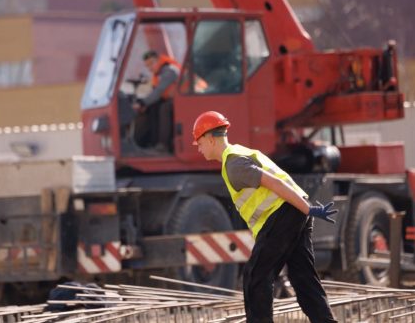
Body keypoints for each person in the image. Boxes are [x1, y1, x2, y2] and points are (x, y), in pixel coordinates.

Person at [192, 110, 338, 323]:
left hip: (282, 214)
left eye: (199, 143)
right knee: (304, 279)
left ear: (210, 139)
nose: (199, 148)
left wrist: (308, 209)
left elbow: (275, 183)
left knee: (255, 277)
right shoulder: (239, 154)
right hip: (292, 211)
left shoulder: (234, 165)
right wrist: (305, 209)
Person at [132, 50, 179, 153]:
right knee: (153, 107)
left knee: (164, 108)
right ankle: (151, 142)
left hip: (190, 99)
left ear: (158, 60)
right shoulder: (159, 73)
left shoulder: (169, 71)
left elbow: (159, 91)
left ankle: (163, 145)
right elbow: (155, 92)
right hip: (176, 99)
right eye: (147, 65)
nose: (150, 68)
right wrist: (145, 103)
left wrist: (142, 102)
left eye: (151, 63)